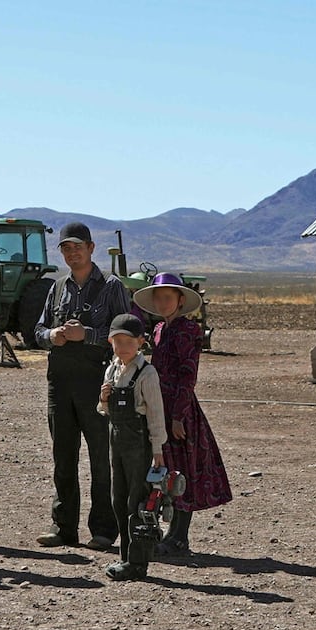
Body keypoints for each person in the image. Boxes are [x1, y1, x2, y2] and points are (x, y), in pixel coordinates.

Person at [33, 222, 130, 550]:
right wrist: (53, 336)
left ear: (91, 248)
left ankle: (104, 530)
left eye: (78, 246)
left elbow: (125, 334)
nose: (72, 252)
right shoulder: (57, 288)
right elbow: (38, 330)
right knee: (63, 456)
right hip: (59, 383)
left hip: (98, 383)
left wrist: (86, 335)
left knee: (101, 458)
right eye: (66, 248)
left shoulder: (111, 286)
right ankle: (64, 528)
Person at [132, 273, 232, 556]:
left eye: (168, 297)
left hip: (179, 410)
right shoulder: (161, 329)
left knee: (180, 472)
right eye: (159, 298)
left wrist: (178, 416)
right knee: (164, 472)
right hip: (159, 407)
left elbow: (188, 375)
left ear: (179, 300)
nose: (163, 302)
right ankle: (169, 531)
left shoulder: (187, 331)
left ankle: (179, 537)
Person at [98, 314, 167, 581]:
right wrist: (104, 399)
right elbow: (104, 410)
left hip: (139, 444)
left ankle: (138, 562)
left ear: (140, 342)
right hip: (116, 440)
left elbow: (156, 414)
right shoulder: (112, 369)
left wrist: (158, 449)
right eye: (118, 341)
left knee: (137, 503)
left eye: (129, 341)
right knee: (118, 499)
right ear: (110, 342)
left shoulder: (146, 373)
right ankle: (125, 556)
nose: (123, 346)